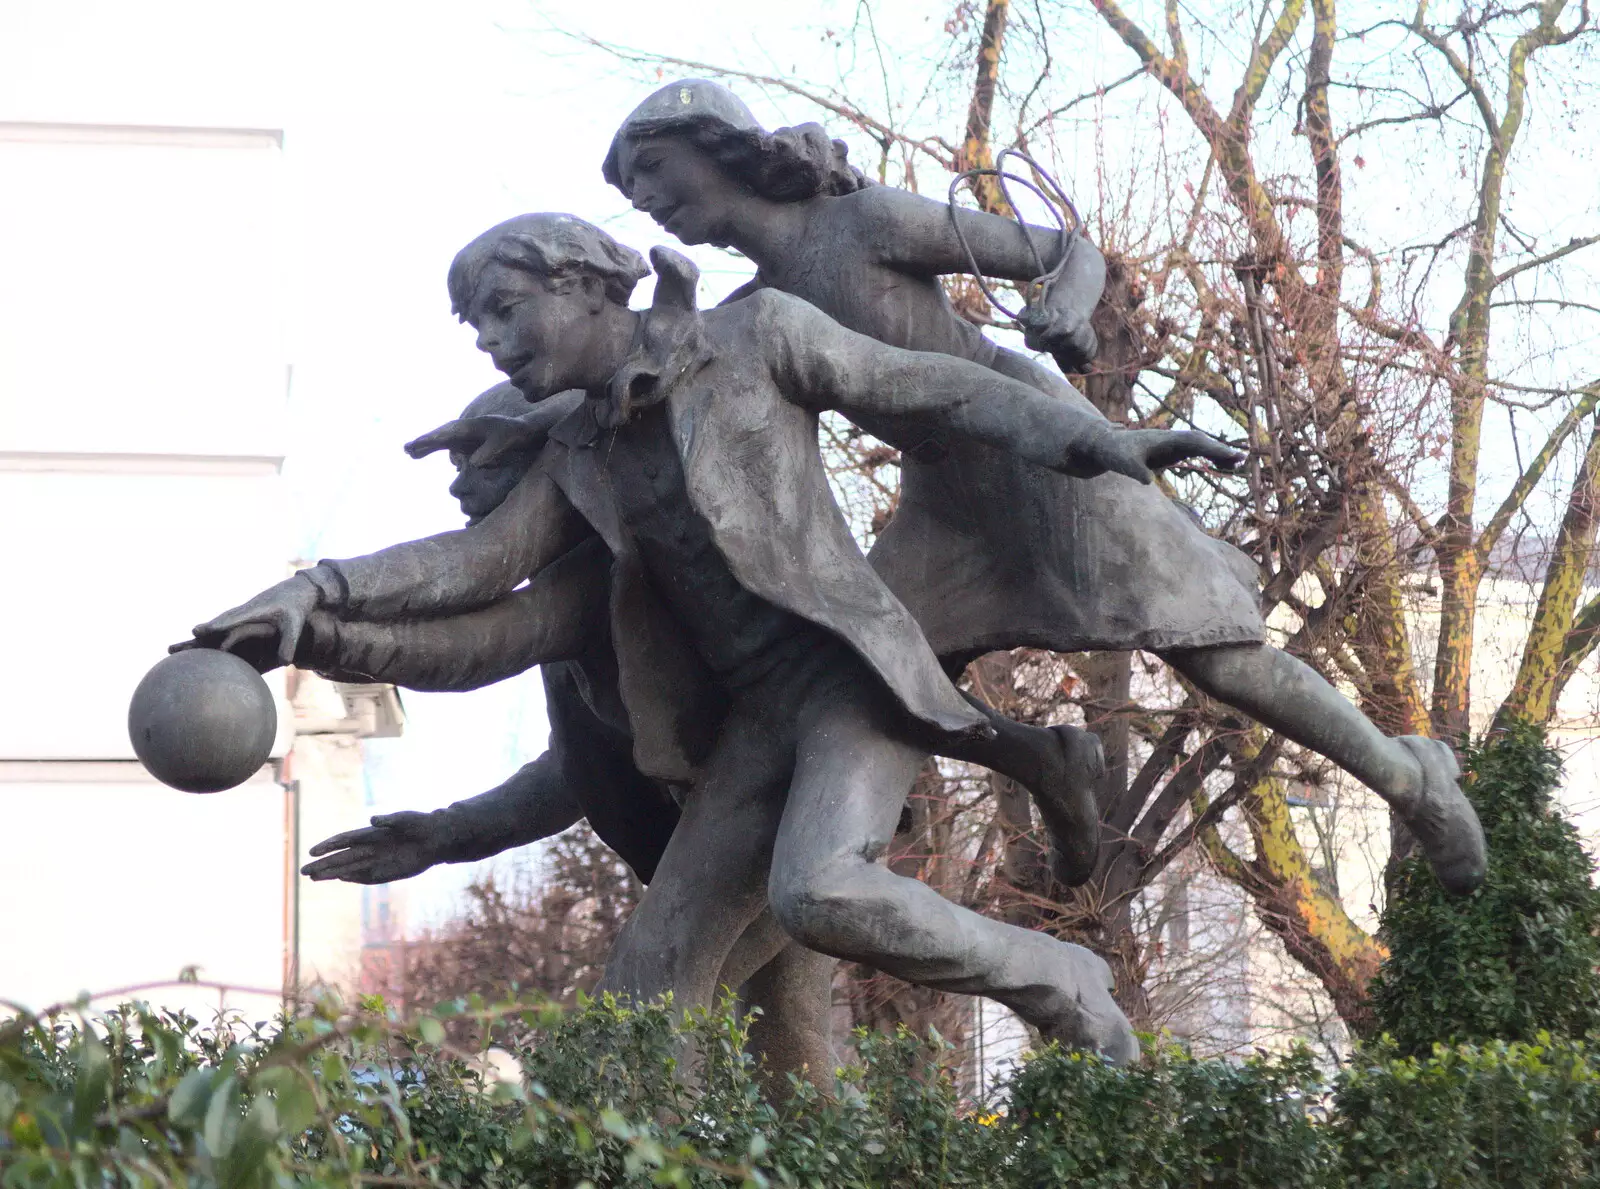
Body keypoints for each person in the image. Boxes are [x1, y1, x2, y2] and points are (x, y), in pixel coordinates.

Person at [184, 214, 1240, 1058]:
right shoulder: (579, 455)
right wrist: (307, 605)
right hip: (754, 731)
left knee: (817, 889)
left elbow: (938, 388)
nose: (493, 343)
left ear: (586, 280)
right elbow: (473, 573)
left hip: (851, 683)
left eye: (504, 311)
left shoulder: (757, 335)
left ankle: (1056, 974)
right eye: (476, 332)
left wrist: (1105, 439)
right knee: (639, 1018)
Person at [599, 79, 1485, 896]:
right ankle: (1024, 776)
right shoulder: (752, 308)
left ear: (715, 144)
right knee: (868, 673)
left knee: (1217, 654)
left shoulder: (862, 225)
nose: (644, 197)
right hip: (943, 502)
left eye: (650, 169)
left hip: (1042, 454)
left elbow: (1070, 252)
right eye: (631, 188)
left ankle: (1410, 775)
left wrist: (1066, 304)